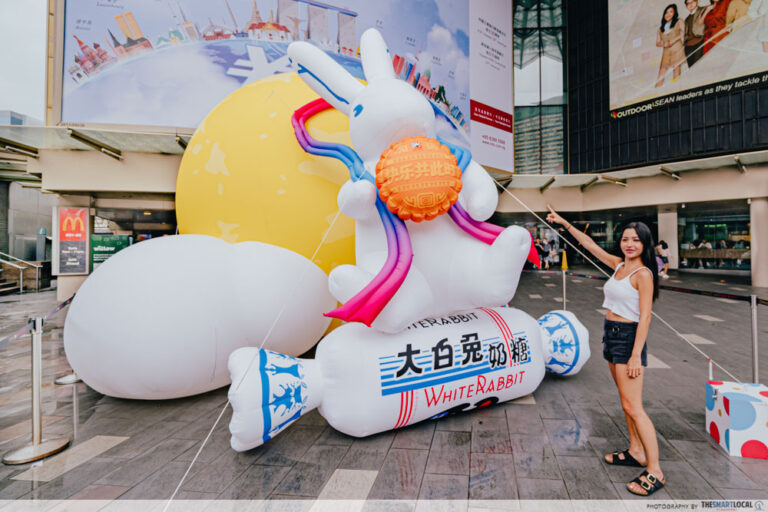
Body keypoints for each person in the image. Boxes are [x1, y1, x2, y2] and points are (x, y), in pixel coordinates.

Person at [546, 205, 665, 497]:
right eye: (625, 238)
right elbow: (589, 244)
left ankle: (655, 470)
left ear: (645, 243)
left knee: (634, 406)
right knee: (625, 402)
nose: (629, 243)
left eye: (636, 239)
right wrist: (564, 223)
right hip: (611, 336)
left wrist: (636, 353)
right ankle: (636, 451)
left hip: (627, 339)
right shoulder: (619, 266)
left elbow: (646, 316)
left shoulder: (643, 274)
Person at [656, 4, 686, 88]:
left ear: (674, 13)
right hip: (666, 51)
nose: (668, 14)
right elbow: (657, 42)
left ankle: (675, 90)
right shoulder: (660, 29)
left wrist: (674, 40)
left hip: (677, 47)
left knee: (676, 68)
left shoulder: (679, 21)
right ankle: (656, 91)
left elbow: (683, 33)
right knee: (662, 70)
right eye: (666, 12)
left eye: (671, 12)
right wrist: (663, 44)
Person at [684, 0, 713, 68]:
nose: (690, 5)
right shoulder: (687, 19)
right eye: (688, 3)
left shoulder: (702, 9)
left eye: (692, 2)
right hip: (688, 45)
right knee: (691, 67)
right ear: (686, 6)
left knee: (698, 66)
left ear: (696, 1)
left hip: (699, 41)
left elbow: (712, 6)